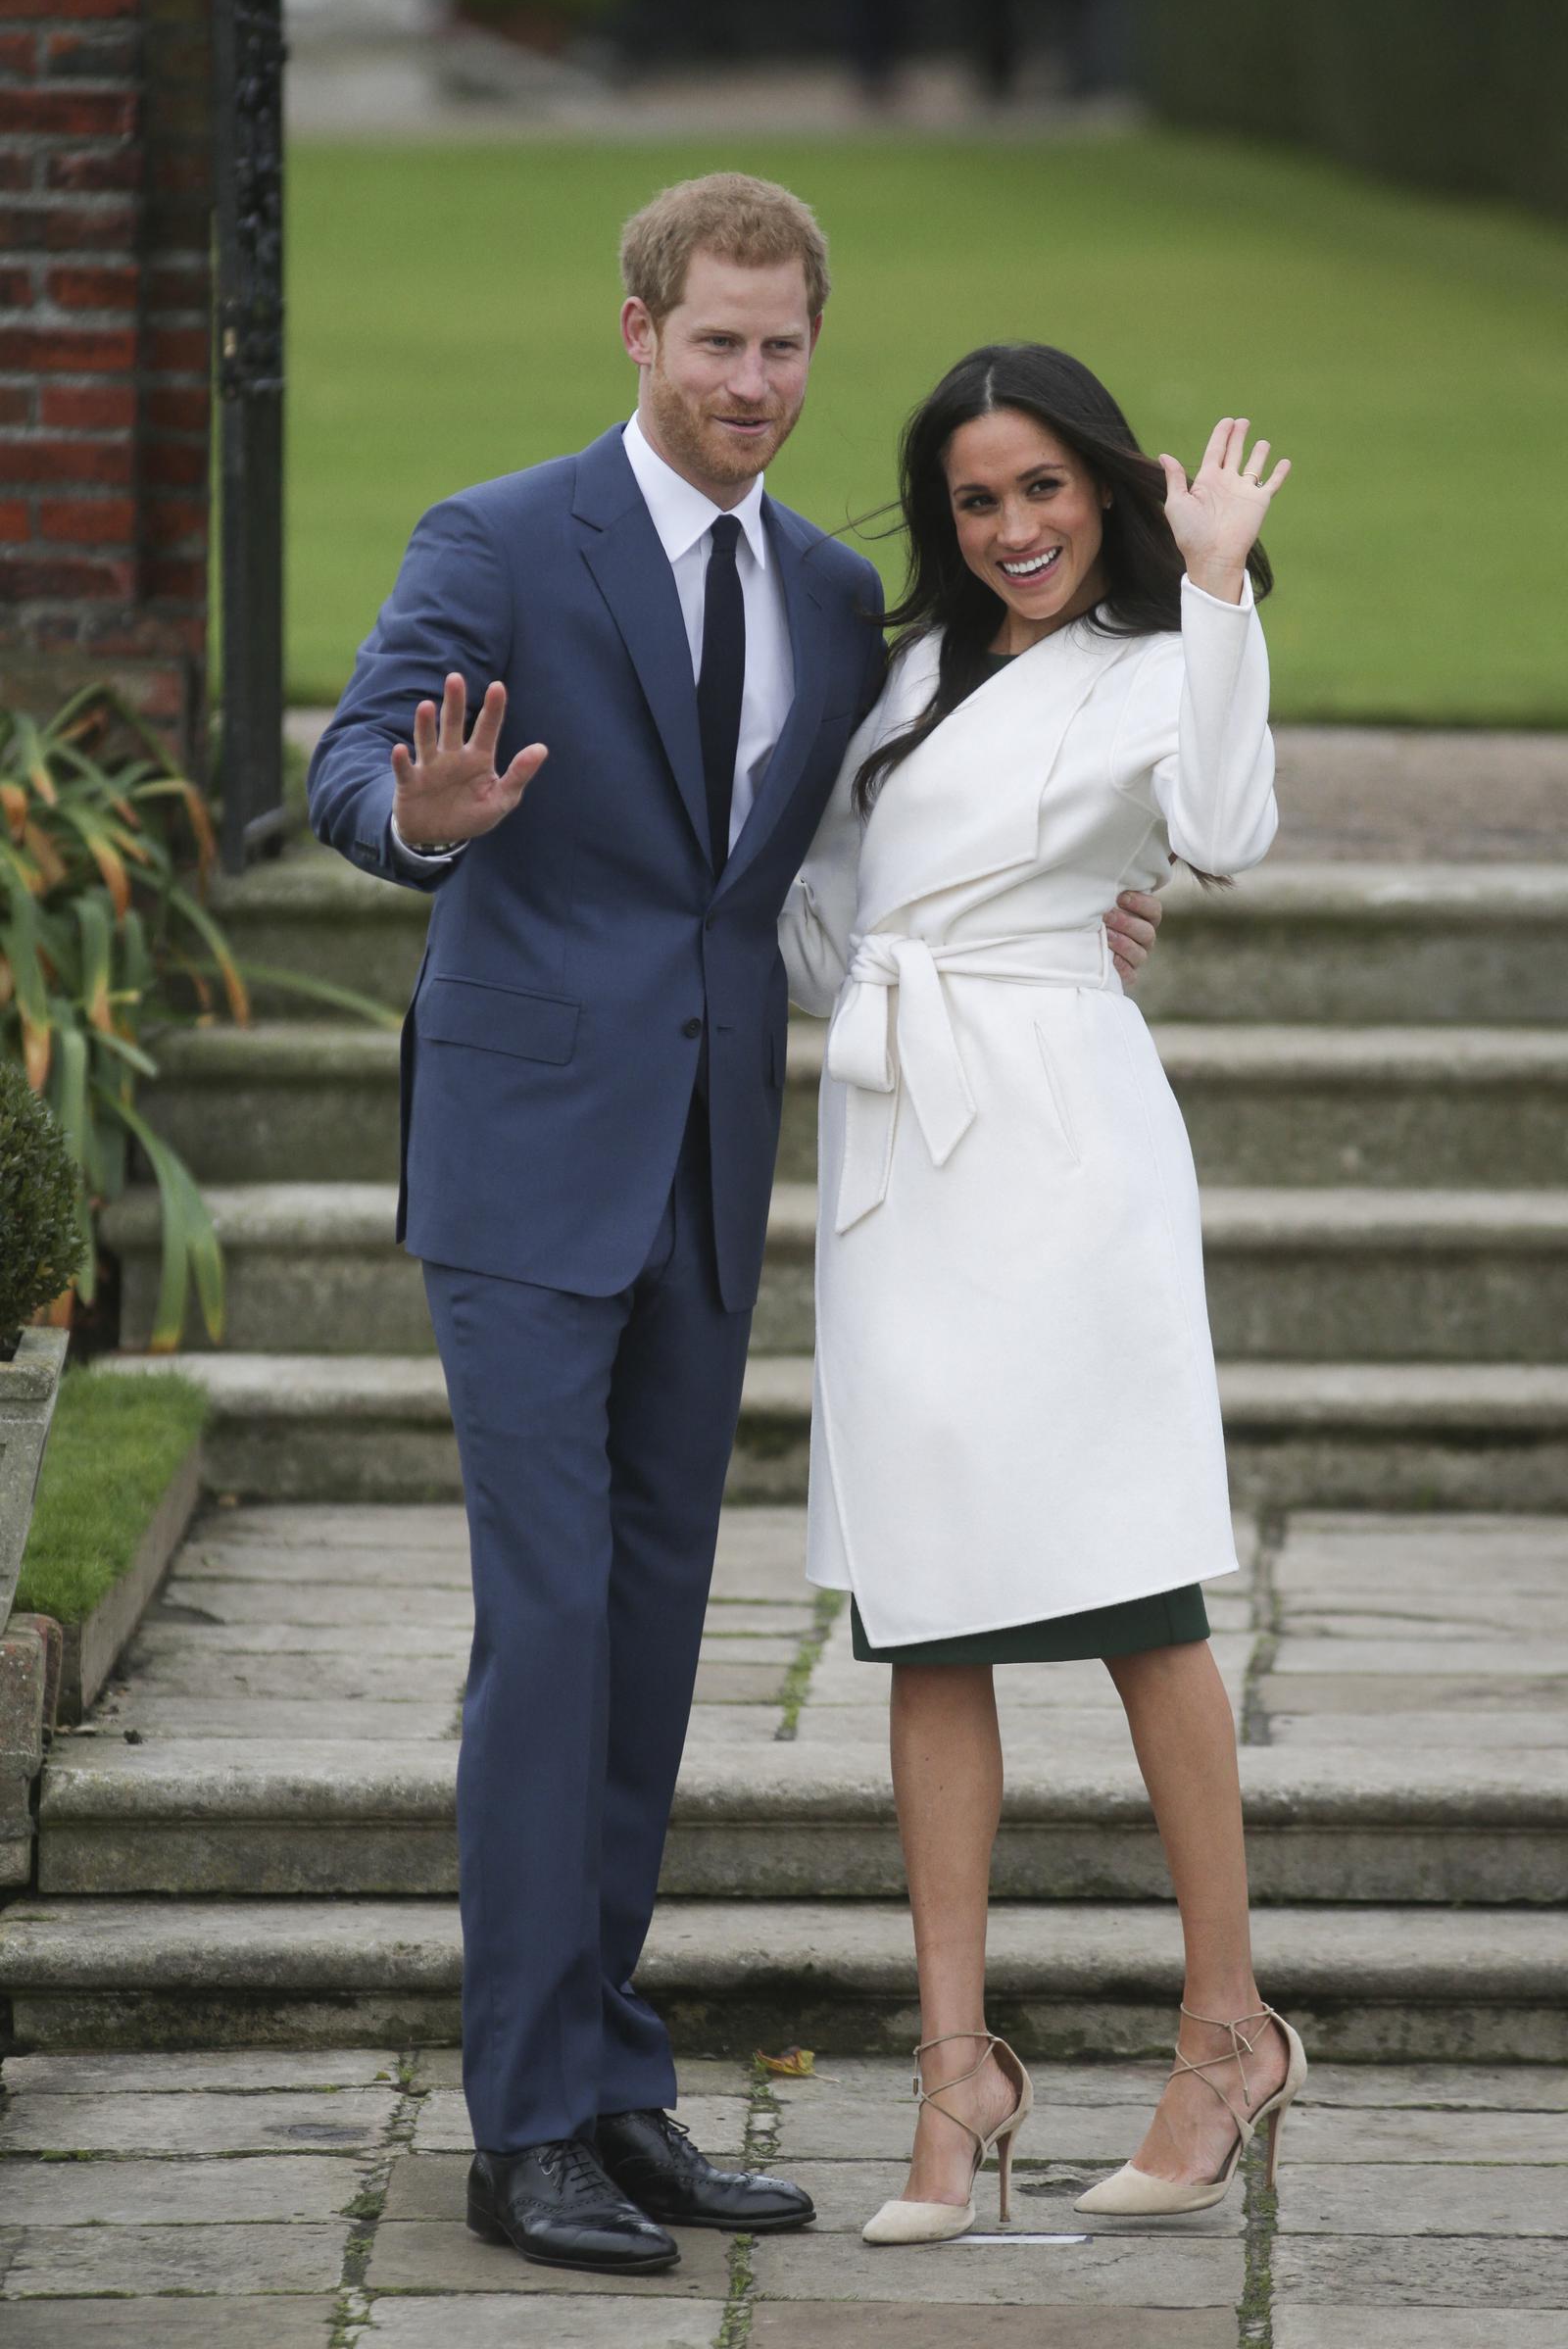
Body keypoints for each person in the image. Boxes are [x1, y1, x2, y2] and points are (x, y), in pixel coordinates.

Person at [308, 166, 1175, 2279]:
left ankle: (612, 2084)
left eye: (783, 346)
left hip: (706, 1166)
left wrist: (1054, 923)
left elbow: (842, 879)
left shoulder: (815, 589)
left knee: (652, 1641)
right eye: (714, 341)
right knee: (547, 1635)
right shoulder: (497, 539)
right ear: (636, 331)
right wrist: (412, 823)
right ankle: (525, 2119)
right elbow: (352, 766)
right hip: (521, 1172)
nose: (752, 382)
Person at [780, 344, 1308, 2246]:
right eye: (976, 498)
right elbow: (827, 906)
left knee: (1129, 1591)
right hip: (900, 1147)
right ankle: (951, 2085)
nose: (1010, 528)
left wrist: (1222, 582)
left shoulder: (1163, 661)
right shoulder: (910, 678)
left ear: (1104, 492)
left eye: (1041, 492)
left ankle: (1222, 2031)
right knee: (926, 1611)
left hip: (1063, 1152)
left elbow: (1228, 829)